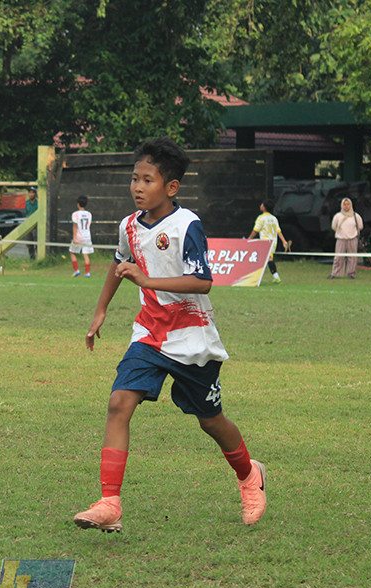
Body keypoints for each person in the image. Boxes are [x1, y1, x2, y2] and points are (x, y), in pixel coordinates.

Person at [73, 137, 267, 533]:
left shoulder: (186, 225)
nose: (138, 187)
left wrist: (147, 278)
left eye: (148, 180)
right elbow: (118, 264)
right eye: (134, 179)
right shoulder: (129, 225)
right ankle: (110, 502)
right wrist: (100, 310)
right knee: (118, 403)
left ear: (171, 187)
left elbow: (202, 281)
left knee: (211, 421)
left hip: (192, 337)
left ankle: (249, 475)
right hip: (149, 331)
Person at [246, 199, 290, 284]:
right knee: (267, 258)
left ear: (264, 207)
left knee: (261, 258)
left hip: (264, 242)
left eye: (261, 205)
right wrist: (284, 241)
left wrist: (249, 239)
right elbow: (278, 231)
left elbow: (255, 230)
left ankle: (253, 278)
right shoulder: (274, 218)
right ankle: (275, 277)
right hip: (273, 242)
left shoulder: (261, 218)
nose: (260, 206)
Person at [328, 197, 363, 279]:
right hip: (341, 239)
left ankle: (351, 274)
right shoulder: (338, 216)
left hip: (352, 239)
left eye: (348, 204)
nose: (346, 206)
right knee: (338, 257)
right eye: (344, 204)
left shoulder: (356, 216)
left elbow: (360, 226)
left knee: (352, 257)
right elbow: (333, 226)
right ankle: (336, 273)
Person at [68, 195, 94, 277]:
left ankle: (77, 270)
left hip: (79, 236)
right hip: (87, 236)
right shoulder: (89, 214)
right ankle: (87, 273)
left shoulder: (75, 214)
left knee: (72, 252)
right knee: (85, 254)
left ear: (78, 204)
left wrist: (74, 238)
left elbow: (75, 226)